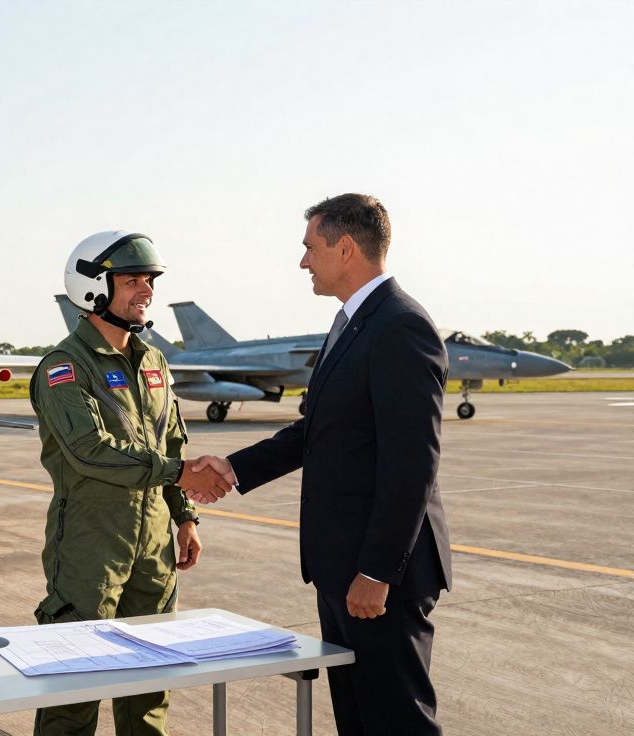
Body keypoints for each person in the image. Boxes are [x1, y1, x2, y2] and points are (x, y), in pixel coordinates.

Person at [193, 195, 452, 735]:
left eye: (310, 248)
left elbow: (411, 465)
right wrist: (235, 469)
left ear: (346, 247)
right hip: (341, 568)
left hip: (380, 576)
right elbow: (317, 431)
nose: (303, 262)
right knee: (357, 721)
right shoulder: (350, 323)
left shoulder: (400, 326)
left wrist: (378, 572)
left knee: (397, 722)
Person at [30, 231, 235, 736]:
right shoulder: (65, 367)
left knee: (149, 687)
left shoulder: (155, 363)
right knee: (73, 686)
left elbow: (170, 446)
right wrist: (179, 475)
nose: (145, 290)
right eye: (131, 280)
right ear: (93, 288)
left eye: (148, 280)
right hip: (89, 546)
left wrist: (185, 518)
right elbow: (91, 451)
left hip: (155, 548)